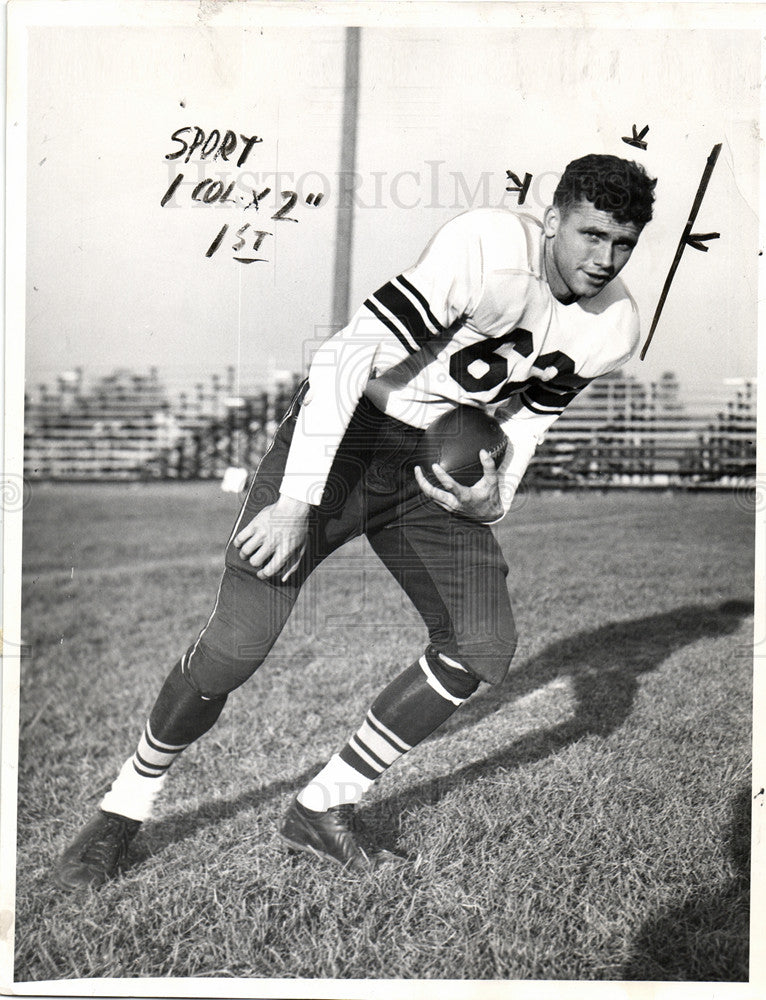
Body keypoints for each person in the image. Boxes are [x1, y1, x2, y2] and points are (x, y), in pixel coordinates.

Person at [55, 153, 656, 885]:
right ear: (553, 218)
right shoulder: (490, 248)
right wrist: (293, 500)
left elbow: (527, 424)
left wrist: (493, 499)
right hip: (348, 435)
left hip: (430, 465)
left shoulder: (615, 323)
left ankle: (321, 808)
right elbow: (344, 358)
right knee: (236, 647)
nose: (605, 258)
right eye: (592, 235)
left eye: (622, 243)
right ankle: (122, 809)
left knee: (483, 643)